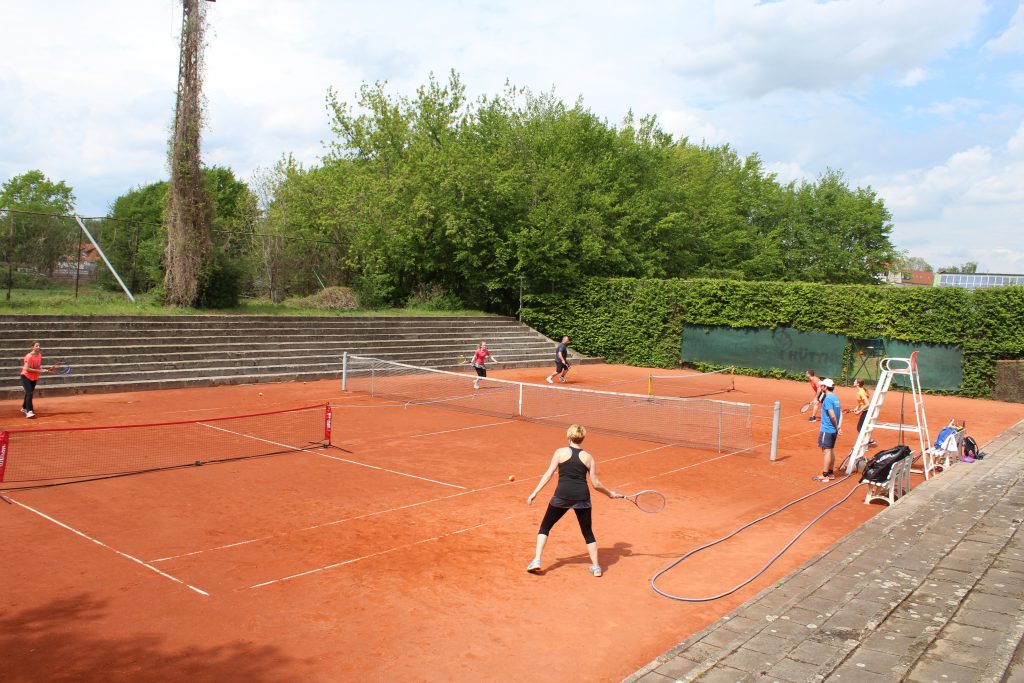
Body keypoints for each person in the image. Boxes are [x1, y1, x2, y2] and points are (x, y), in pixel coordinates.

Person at [526, 424, 621, 577]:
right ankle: (596, 568)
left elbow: (548, 474)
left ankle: (537, 560)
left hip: (561, 496)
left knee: (545, 526)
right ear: (582, 438)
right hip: (582, 497)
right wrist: (609, 493)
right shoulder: (589, 457)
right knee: (587, 532)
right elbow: (596, 484)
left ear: (569, 437)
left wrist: (535, 492)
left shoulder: (560, 452)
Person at [20, 341, 56, 419]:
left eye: (39, 346)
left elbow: (37, 367)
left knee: (28, 393)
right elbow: (27, 368)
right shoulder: (28, 356)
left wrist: (46, 370)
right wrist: (39, 371)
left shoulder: (39, 355)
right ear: (32, 347)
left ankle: (24, 407)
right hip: (25, 376)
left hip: (34, 377)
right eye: (37, 346)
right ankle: (29, 411)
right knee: (29, 393)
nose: (38, 347)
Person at [817, 378, 842, 481]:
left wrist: (836, 426)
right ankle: (831, 473)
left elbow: (832, 415)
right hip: (834, 431)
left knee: (826, 452)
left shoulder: (827, 399)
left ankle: (825, 475)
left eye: (822, 385)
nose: (821, 387)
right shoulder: (835, 397)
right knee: (831, 450)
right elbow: (840, 413)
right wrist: (839, 427)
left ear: (825, 387)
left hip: (827, 429)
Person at [852, 379, 877, 446]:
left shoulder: (861, 392)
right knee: (861, 427)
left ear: (858, 384)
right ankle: (869, 441)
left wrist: (859, 411)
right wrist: (857, 408)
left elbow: (867, 404)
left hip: (867, 412)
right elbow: (861, 402)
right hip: (865, 411)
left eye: (855, 381)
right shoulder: (860, 391)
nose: (853, 382)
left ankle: (868, 442)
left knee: (860, 428)